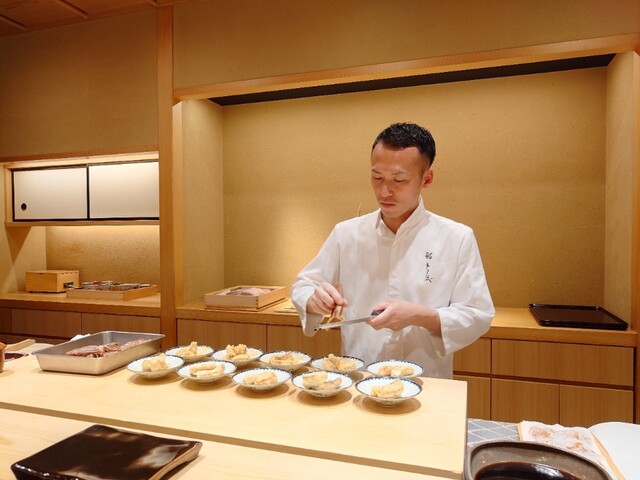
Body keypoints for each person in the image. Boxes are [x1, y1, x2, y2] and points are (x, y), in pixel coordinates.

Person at [291, 122, 494, 378]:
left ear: (426, 178)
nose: (384, 191)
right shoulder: (346, 233)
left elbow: (477, 314)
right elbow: (304, 285)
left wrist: (420, 315)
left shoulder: (456, 237)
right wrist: (314, 299)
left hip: (426, 382)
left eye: (399, 180)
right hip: (359, 377)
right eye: (377, 178)